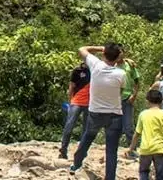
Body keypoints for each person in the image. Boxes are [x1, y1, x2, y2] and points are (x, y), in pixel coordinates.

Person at [70, 43, 126, 180]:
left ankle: (76, 164)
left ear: (103, 54)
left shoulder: (95, 65)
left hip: (96, 113)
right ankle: (110, 177)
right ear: (118, 57)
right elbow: (121, 91)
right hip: (115, 115)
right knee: (112, 150)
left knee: (87, 139)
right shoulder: (121, 73)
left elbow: (81, 49)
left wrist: (99, 48)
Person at [59, 61, 91, 159]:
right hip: (76, 101)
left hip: (90, 103)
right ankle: (63, 150)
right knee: (69, 126)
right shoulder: (77, 71)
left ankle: (82, 152)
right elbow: (71, 85)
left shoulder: (94, 70)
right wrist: (70, 101)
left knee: (86, 129)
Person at [118, 52, 142, 149]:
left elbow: (136, 81)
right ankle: (113, 147)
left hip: (127, 97)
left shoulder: (129, 65)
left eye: (121, 52)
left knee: (128, 126)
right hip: (115, 98)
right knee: (114, 125)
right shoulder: (112, 64)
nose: (119, 55)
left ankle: (132, 148)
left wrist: (134, 95)